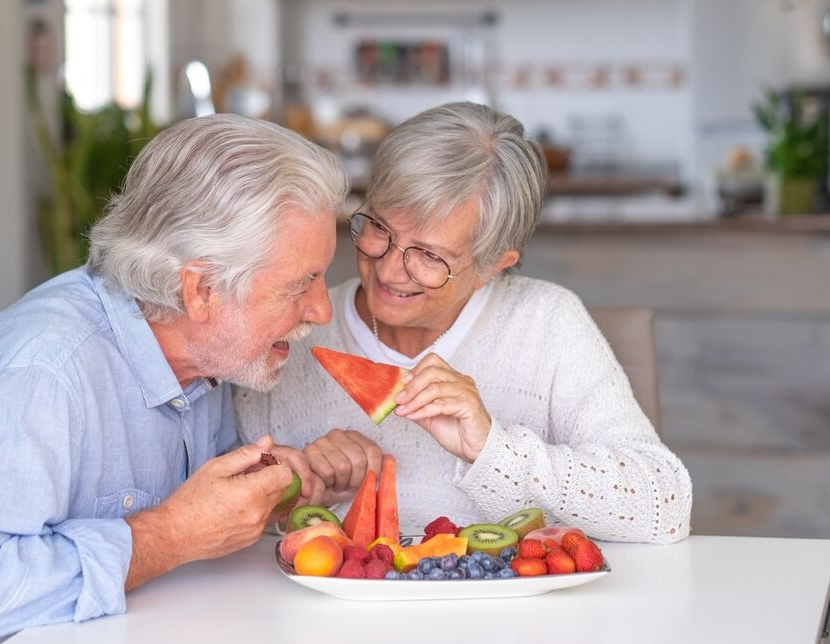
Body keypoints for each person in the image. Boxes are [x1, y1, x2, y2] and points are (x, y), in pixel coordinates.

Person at [0, 113, 348, 643]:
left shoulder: (203, 353)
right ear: (199, 291)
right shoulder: (47, 369)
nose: (321, 310)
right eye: (301, 284)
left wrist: (254, 495)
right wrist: (172, 534)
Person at [236, 102, 692, 544]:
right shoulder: (292, 330)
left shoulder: (548, 322)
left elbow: (665, 506)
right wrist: (297, 495)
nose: (390, 270)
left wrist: (494, 449)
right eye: (378, 229)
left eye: (430, 256)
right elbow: (223, 512)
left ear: (493, 266)